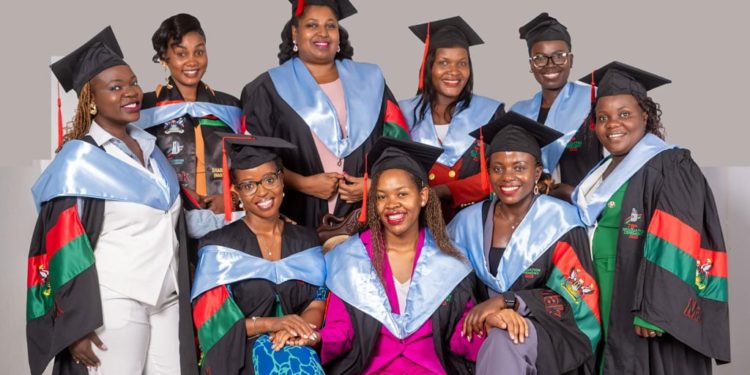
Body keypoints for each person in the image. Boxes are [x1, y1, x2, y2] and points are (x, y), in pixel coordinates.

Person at [28, 27, 197, 374]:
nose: (132, 92)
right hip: (114, 303)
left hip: (167, 299)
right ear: (91, 98)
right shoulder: (79, 162)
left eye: (133, 82)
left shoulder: (153, 152)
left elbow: (170, 222)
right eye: (115, 87)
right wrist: (73, 324)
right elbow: (64, 250)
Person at [573, 61, 730, 373]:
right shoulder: (601, 172)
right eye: (603, 117)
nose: (612, 124)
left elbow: (677, 237)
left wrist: (654, 310)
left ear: (645, 115)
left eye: (624, 114)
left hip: (638, 300)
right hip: (602, 295)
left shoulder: (670, 164)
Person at [304, 138, 481, 374]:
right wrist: (313, 337)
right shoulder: (350, 258)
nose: (392, 205)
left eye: (402, 194)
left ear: (423, 197)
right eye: (381, 196)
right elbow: (341, 330)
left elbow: (462, 334)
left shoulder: (450, 260)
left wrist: (491, 327)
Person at [448, 111, 601, 374]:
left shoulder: (560, 221)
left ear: (537, 172)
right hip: (480, 323)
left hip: (547, 331)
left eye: (519, 167)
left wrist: (510, 302)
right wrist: (491, 315)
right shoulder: (465, 224)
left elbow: (577, 299)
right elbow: (451, 289)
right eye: (498, 168)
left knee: (505, 338)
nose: (507, 177)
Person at [240, 0, 411, 228]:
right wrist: (303, 183)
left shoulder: (370, 80)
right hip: (295, 220)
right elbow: (253, 160)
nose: (323, 33)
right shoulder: (266, 88)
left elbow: (398, 143)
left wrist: (375, 184)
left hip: (366, 220)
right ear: (294, 32)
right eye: (312, 25)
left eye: (331, 25)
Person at [190, 134, 326, 374]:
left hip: (297, 348)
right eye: (249, 185)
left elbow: (319, 300)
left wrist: (296, 328)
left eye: (269, 179)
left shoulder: (306, 240)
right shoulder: (219, 247)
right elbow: (211, 325)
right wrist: (273, 323)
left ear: (282, 181)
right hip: (238, 358)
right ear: (238, 192)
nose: (262, 192)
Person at [399, 16, 505, 219]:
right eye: (444, 62)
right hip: (416, 226)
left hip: (474, 224)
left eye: (462, 63)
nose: (454, 72)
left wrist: (446, 191)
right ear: (429, 66)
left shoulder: (490, 113)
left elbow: (501, 176)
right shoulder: (403, 114)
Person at [135, 13, 242, 213]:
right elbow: (137, 168)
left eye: (199, 52)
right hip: (168, 217)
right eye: (181, 54)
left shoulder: (230, 106)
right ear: (164, 58)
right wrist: (179, 193)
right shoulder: (147, 108)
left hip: (226, 218)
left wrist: (232, 197)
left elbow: (247, 161)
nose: (192, 62)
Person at [511, 12, 602, 201]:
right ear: (531, 65)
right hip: (534, 213)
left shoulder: (594, 101)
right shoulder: (519, 112)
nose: (550, 65)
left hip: (588, 213)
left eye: (559, 56)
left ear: (571, 60)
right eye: (540, 58)